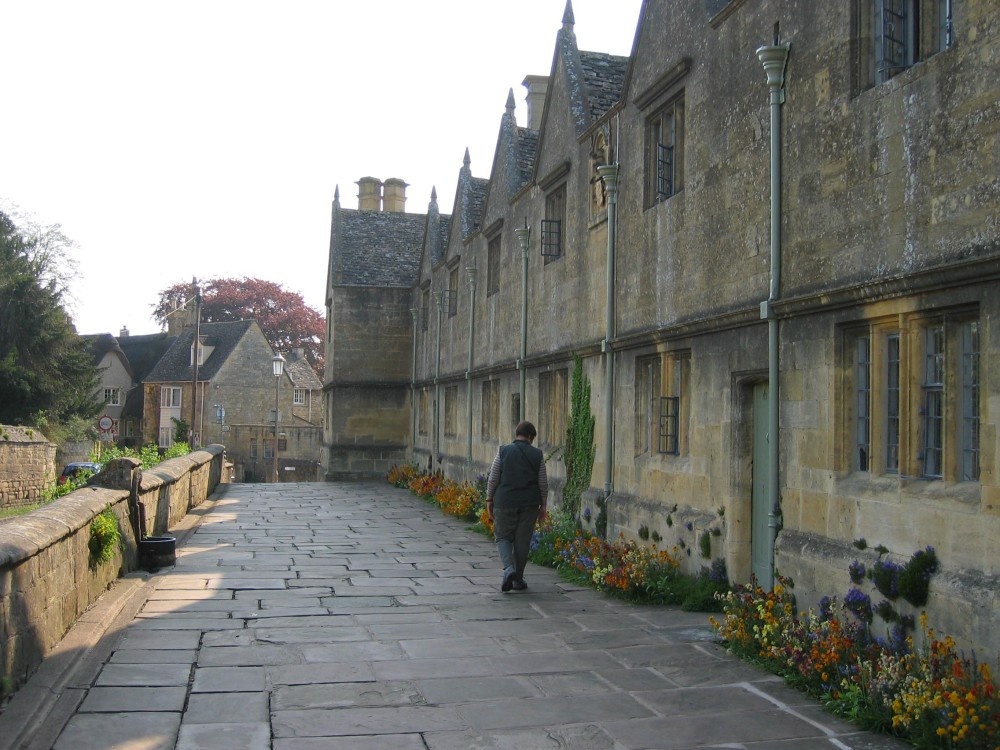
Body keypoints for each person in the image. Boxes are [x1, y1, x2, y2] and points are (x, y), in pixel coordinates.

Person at [486, 420, 548, 592]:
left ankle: (508, 569)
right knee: (522, 542)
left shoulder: (503, 451)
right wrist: (543, 506)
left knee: (503, 536)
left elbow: (493, 478)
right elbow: (543, 482)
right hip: (529, 504)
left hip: (505, 501)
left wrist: (489, 499)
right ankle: (518, 579)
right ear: (530, 436)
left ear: (517, 434)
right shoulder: (537, 455)